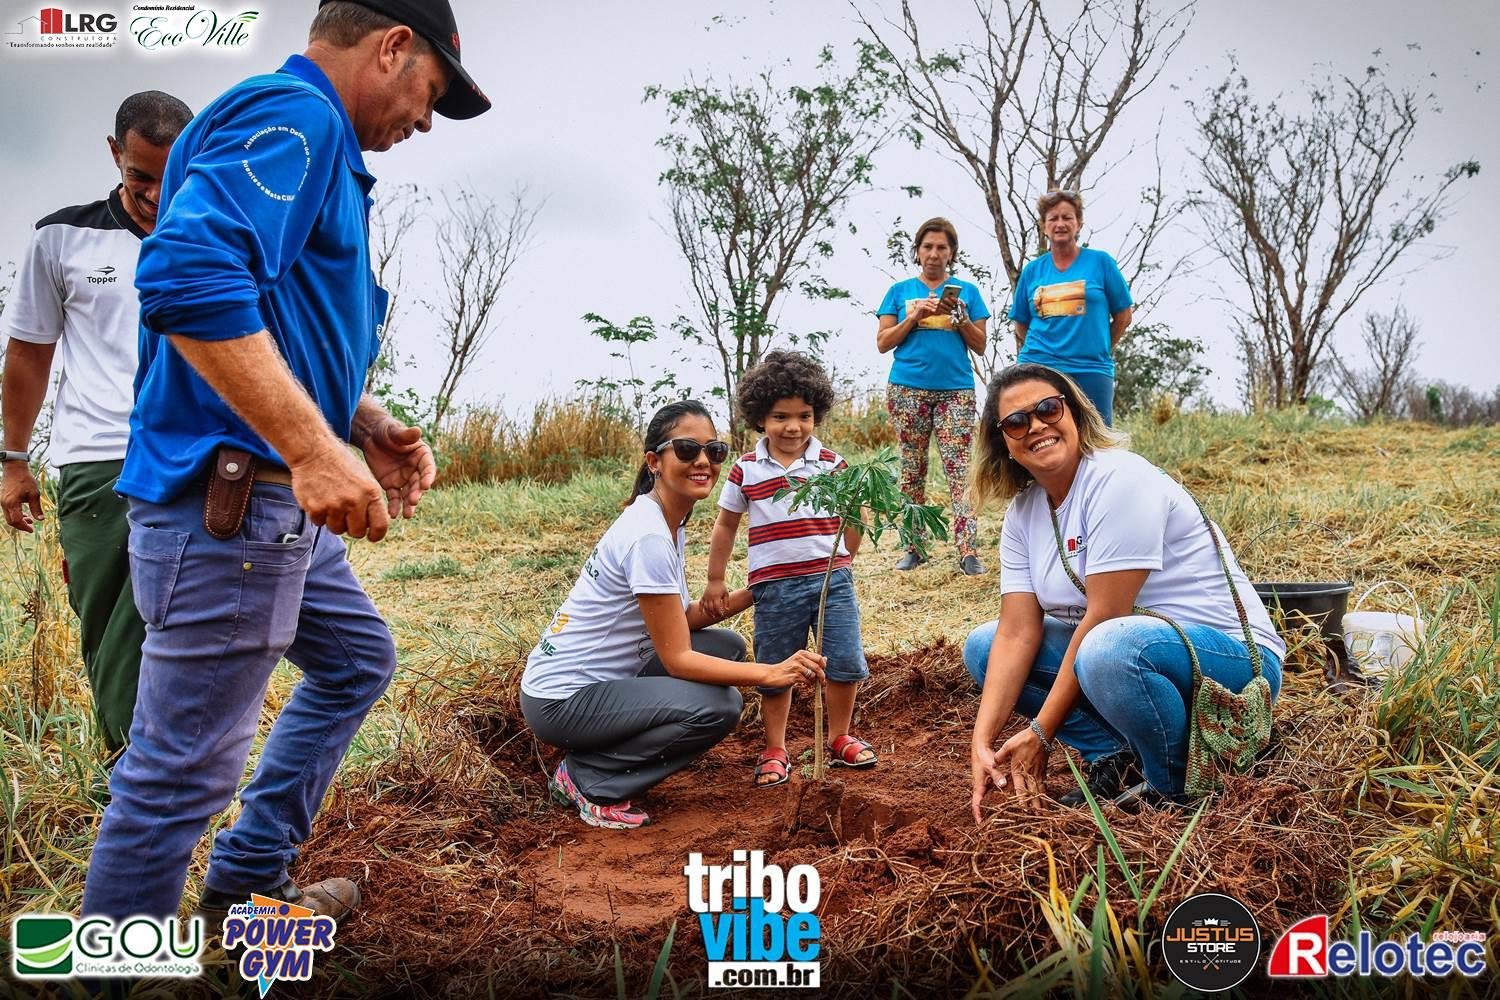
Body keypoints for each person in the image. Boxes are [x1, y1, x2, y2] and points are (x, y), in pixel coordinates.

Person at [81, 0, 490, 925]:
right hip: (235, 504)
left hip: (267, 504)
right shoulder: (296, 117)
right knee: (180, 772)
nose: (425, 120)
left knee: (355, 660)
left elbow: (271, 313)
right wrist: (311, 448)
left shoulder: (305, 137)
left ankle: (249, 880)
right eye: (430, 93)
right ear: (393, 47)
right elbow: (187, 278)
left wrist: (358, 419)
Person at [963, 364, 1284, 818]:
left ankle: (1173, 786)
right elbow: (1017, 632)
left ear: (1075, 414)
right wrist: (981, 742)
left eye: (1048, 409)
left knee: (1108, 648)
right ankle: (1117, 757)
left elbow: (1105, 615)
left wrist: (1040, 731)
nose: (1035, 426)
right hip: (1130, 654)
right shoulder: (1024, 514)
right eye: (1016, 422)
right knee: (984, 646)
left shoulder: (1120, 478)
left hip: (1229, 658)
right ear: (1004, 444)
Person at [521, 401, 827, 829]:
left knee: (726, 646)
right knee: (720, 706)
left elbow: (678, 619)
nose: (703, 461)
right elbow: (677, 658)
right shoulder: (648, 536)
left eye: (714, 451)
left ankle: (604, 753)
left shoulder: (665, 519)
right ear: (655, 461)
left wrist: (760, 589)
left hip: (602, 681)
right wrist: (770, 673)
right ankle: (590, 778)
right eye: (686, 449)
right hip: (563, 700)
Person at [2, 91, 193, 755]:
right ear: (115, 154)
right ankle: (129, 780)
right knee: (111, 632)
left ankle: (161, 777)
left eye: (172, 175)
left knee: (181, 627)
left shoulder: (213, 235)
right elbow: (29, 353)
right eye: (140, 175)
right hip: (98, 461)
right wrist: (13, 459)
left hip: (191, 458)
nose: (155, 194)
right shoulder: (61, 237)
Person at [704, 351, 876, 788]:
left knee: (843, 659)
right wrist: (715, 579)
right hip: (774, 588)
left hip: (831, 583)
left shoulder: (832, 464)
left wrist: (846, 558)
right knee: (776, 667)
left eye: (804, 416)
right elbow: (726, 525)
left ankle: (839, 737)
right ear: (760, 417)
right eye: (780, 417)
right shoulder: (745, 469)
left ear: (817, 415)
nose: (793, 427)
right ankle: (776, 748)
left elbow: (856, 514)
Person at [875, 216, 991, 575]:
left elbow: (981, 345)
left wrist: (961, 319)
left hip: (956, 391)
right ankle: (913, 546)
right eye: (928, 246)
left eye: (942, 247)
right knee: (912, 468)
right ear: (918, 251)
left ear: (952, 252)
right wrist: (913, 317)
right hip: (907, 388)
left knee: (960, 470)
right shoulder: (899, 292)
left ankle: (968, 550)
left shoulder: (967, 292)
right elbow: (882, 342)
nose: (934, 253)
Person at [1009, 190, 1133, 425]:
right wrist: (1046, 351)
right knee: (1041, 434)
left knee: (1097, 438)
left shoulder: (1101, 262)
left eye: (1067, 217)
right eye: (1053, 218)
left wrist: (1101, 347)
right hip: (1039, 370)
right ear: (1044, 226)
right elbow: (1021, 323)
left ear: (1079, 223)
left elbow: (1124, 316)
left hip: (1091, 368)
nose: (1060, 224)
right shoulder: (1032, 271)